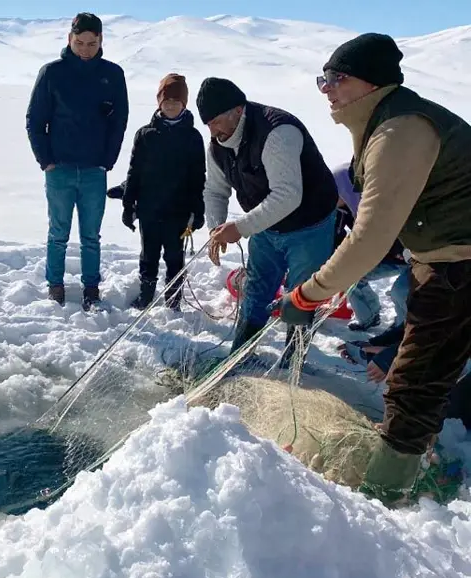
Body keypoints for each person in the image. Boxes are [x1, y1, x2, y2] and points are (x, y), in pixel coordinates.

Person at [277, 33, 471, 505]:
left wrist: (309, 294)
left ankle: (382, 502)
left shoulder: (400, 130)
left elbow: (369, 238)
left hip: (458, 267)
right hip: (445, 263)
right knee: (431, 374)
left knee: (414, 384)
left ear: (373, 82)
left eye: (337, 78)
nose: (326, 88)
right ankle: (423, 466)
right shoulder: (388, 122)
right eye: (323, 78)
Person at [197, 77, 338, 364]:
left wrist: (240, 227)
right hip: (266, 225)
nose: (213, 130)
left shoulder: (277, 131)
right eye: (208, 123)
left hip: (309, 225)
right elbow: (214, 189)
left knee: (300, 296)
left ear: (238, 110)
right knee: (256, 288)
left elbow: (288, 195)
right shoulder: (218, 144)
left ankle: (292, 361)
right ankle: (241, 352)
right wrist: (216, 227)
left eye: (216, 121)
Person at [25, 12, 130, 311]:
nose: (85, 49)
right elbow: (35, 120)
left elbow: (119, 121)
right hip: (59, 168)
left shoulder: (112, 74)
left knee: (90, 236)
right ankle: (55, 285)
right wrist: (46, 160)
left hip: (94, 169)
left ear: (101, 41)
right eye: (80, 42)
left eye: (92, 43)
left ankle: (91, 287)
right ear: (69, 39)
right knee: (58, 232)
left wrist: (107, 160)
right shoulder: (52, 73)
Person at [119, 73, 206, 310]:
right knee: (148, 255)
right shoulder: (145, 135)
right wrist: (128, 205)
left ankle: (173, 299)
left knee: (175, 257)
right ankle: (146, 295)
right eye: (166, 102)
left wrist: (198, 211)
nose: (170, 107)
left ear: (184, 104)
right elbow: (134, 172)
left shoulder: (193, 137)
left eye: (176, 103)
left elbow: (199, 177)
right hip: (149, 209)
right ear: (159, 103)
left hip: (178, 211)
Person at [332, 162, 411, 332]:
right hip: (386, 257)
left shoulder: (386, 203)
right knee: (348, 274)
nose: (328, 196)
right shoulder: (341, 211)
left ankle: (402, 330)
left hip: (415, 258)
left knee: (400, 291)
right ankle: (369, 316)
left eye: (334, 191)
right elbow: (336, 243)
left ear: (348, 191)